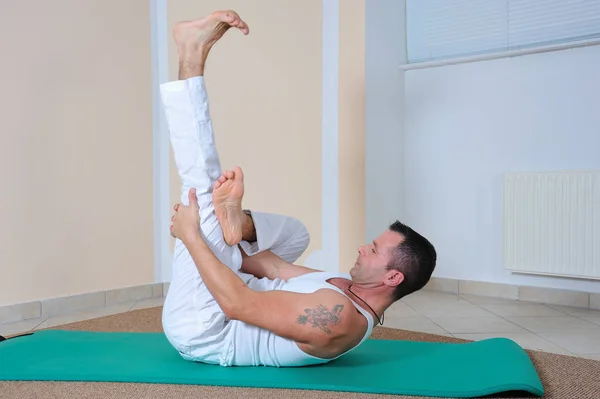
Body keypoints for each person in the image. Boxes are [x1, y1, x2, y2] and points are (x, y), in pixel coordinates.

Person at [162, 10, 437, 368]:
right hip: (238, 294)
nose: (361, 248)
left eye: (372, 249)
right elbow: (272, 266)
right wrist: (232, 239)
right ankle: (235, 225)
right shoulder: (343, 288)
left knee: (199, 193)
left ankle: (190, 54)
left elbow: (238, 305)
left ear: (393, 277)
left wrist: (192, 235)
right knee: (296, 234)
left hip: (207, 328)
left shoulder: (337, 317)